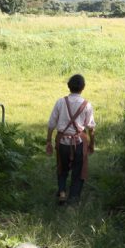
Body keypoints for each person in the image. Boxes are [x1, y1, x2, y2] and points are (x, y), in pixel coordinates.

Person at [46, 74, 96, 205]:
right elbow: (91, 128)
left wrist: (48, 141)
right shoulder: (87, 105)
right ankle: (73, 199)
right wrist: (92, 144)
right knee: (78, 170)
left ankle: (62, 192)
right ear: (83, 87)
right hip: (79, 143)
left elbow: (51, 124)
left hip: (62, 142)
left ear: (69, 86)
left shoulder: (60, 102)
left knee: (62, 167)